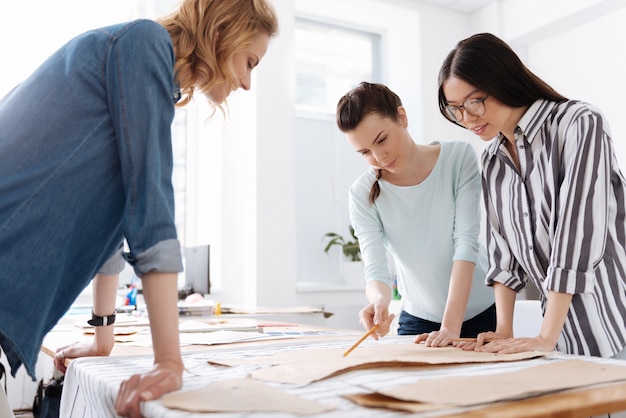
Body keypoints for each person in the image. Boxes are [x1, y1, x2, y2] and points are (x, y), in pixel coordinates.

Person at [0, 0, 278, 416]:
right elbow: (151, 207)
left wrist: (102, 338)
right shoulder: (144, 44)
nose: (247, 83)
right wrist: (169, 361)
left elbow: (110, 213)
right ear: (221, 32)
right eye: (250, 62)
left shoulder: (133, 57)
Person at [438, 32, 626, 359]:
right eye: (455, 109)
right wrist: (504, 329)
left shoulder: (579, 123)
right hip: (560, 338)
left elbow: (577, 237)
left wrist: (544, 336)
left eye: (474, 101)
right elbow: (503, 255)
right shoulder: (492, 160)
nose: (467, 118)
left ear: (502, 80)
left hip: (613, 323)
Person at [336, 82, 496, 347]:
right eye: (365, 152)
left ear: (402, 117)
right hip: (418, 318)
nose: (379, 156)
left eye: (381, 140)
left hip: (482, 312)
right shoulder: (362, 193)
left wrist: (450, 327)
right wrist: (379, 302)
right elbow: (375, 269)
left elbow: (465, 243)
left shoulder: (458, 158)